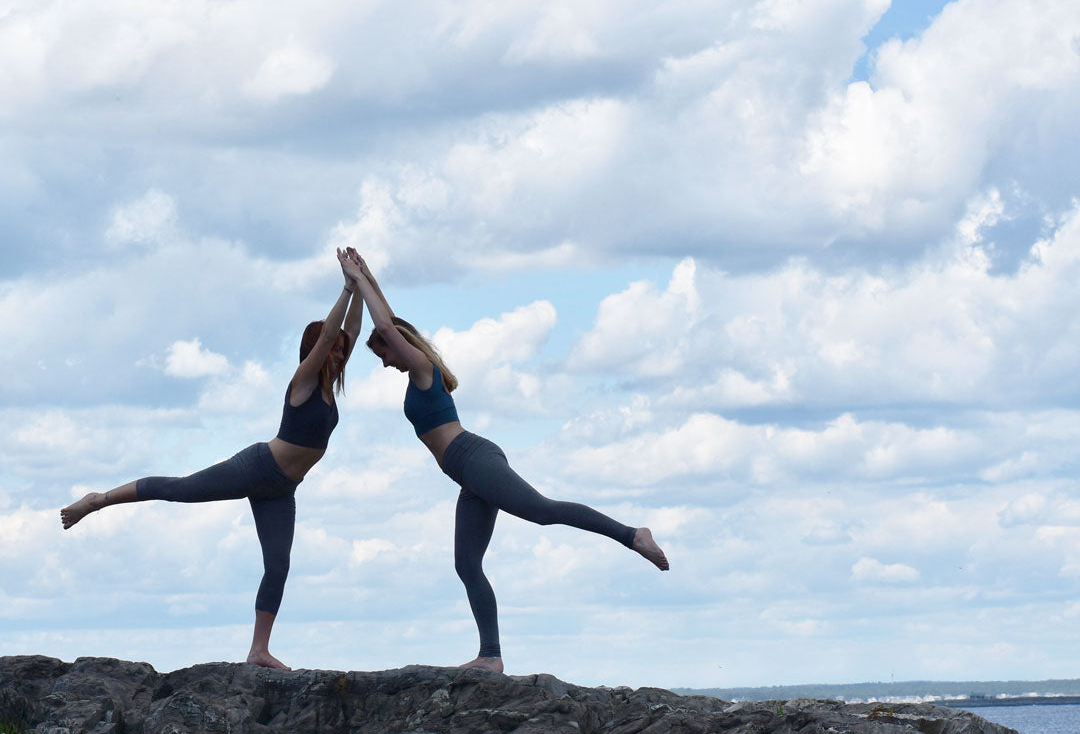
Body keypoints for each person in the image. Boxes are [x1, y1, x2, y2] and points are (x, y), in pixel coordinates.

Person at [341, 247, 668, 673]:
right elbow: (390, 319)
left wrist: (358, 281)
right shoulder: (419, 368)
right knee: (466, 564)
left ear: (396, 346)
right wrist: (365, 274)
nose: (384, 362)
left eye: (382, 353)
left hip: (473, 459)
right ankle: (490, 656)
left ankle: (632, 534)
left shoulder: (420, 367)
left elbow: (387, 324)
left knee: (543, 511)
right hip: (467, 472)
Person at [60, 248, 364, 670]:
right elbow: (332, 333)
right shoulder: (304, 381)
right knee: (181, 490)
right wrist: (346, 287)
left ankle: (259, 650)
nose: (339, 354)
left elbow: (346, 331)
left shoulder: (332, 383)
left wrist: (361, 283)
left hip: (282, 489)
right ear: (316, 351)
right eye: (332, 350)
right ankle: (98, 499)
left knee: (278, 565)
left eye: (341, 352)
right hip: (258, 466)